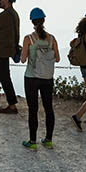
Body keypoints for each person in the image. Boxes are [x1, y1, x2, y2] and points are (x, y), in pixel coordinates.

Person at [20, 8, 59, 150]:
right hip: (47, 78)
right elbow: (58, 58)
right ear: (44, 20)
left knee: (33, 109)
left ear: (31, 21)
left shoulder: (28, 39)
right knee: (48, 108)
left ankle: (32, 142)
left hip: (31, 77)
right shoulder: (52, 39)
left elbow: (23, 59)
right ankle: (48, 140)